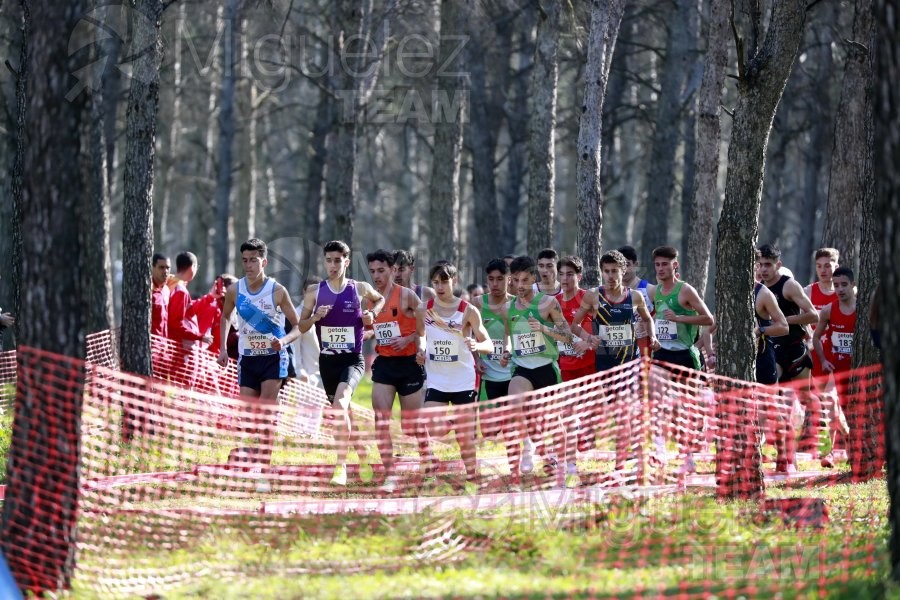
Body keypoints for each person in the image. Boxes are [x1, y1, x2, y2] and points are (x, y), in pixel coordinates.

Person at [216, 238, 304, 492]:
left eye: (253, 260)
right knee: (249, 417)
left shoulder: (277, 291)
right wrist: (223, 348)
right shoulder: (235, 290)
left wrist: (284, 340)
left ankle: (263, 472)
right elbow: (224, 318)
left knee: (266, 414)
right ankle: (252, 453)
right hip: (248, 360)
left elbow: (298, 326)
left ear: (263, 262)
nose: (248, 265)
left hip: (273, 359)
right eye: (244, 260)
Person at [298, 240, 385, 486]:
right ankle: (363, 454)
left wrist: (372, 314)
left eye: (338, 260)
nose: (333, 265)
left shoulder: (359, 288)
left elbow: (379, 300)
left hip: (352, 360)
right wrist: (316, 317)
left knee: (340, 404)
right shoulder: (314, 292)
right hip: (327, 363)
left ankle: (340, 466)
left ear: (347, 262)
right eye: (329, 260)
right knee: (343, 411)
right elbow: (302, 326)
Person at [571, 250, 658, 471]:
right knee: (619, 412)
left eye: (614, 271)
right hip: (606, 364)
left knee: (624, 411)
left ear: (624, 271)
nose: (610, 276)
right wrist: (588, 337)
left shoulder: (635, 297)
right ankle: (630, 455)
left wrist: (653, 336)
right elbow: (574, 325)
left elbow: (648, 319)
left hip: (630, 363)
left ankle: (621, 463)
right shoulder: (593, 296)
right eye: (606, 272)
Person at [416, 261, 493, 491]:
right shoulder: (424, 310)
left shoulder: (468, 310)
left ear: (454, 281)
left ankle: (471, 477)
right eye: (436, 282)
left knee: (465, 439)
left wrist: (476, 346)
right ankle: (454, 423)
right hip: (437, 379)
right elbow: (421, 335)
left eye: (444, 282)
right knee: (434, 427)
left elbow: (488, 343)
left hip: (463, 381)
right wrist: (421, 349)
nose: (440, 287)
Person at [502, 255, 574, 487]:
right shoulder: (508, 307)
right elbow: (508, 337)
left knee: (554, 422)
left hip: (546, 368)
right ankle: (527, 448)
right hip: (522, 367)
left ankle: (562, 466)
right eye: (515, 280)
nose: (520, 286)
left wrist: (543, 328)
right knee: (514, 404)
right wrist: (505, 351)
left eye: (524, 280)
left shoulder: (547, 303)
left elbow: (567, 337)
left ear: (533, 278)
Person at [365, 249, 432, 493]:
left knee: (413, 424)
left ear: (393, 270)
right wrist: (367, 332)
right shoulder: (369, 298)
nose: (377, 276)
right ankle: (390, 473)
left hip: (409, 364)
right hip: (385, 364)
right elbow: (371, 326)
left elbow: (427, 325)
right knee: (380, 419)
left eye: (381, 270)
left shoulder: (407, 297)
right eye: (372, 271)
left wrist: (411, 339)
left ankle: (428, 461)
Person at [757, 244, 820, 462]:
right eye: (760, 265)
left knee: (806, 399)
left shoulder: (789, 286)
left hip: (794, 350)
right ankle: (784, 453)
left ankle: (821, 429)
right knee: (774, 401)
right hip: (771, 350)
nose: (763, 270)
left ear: (778, 265)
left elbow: (814, 316)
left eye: (768, 265)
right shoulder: (756, 288)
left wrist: (783, 320)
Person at [477, 259, 517, 487]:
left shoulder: (516, 305)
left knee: (511, 429)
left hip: (512, 376)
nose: (495, 284)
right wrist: (475, 360)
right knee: (490, 433)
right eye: (491, 279)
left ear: (508, 280)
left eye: (500, 279)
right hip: (489, 377)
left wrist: (511, 353)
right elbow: (467, 336)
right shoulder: (477, 304)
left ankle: (514, 472)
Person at [812, 266, 857, 468]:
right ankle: (830, 452)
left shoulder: (862, 309)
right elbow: (816, 337)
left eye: (844, 285)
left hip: (856, 369)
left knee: (850, 411)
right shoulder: (828, 310)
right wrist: (823, 360)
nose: (839, 289)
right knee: (830, 404)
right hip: (833, 367)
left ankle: (851, 447)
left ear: (853, 285)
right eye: (836, 285)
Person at [646, 246, 714, 370]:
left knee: (685, 390)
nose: (660, 268)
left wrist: (678, 318)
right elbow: (659, 317)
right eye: (657, 265)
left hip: (684, 353)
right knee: (657, 388)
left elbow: (709, 319)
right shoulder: (655, 291)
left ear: (675, 264)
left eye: (665, 264)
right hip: (661, 351)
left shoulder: (686, 290)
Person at [167, 251, 213, 387]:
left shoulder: (171, 285)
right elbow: (176, 323)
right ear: (192, 267)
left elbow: (188, 311)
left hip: (177, 347)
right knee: (183, 388)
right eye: (196, 267)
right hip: (182, 349)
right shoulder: (180, 291)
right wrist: (200, 336)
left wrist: (210, 297)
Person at [804, 248, 841, 383]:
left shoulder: (844, 293)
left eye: (827, 266)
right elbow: (799, 320)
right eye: (819, 266)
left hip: (838, 353)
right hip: (814, 352)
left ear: (836, 267)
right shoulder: (808, 291)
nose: (822, 270)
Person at [619, 245, 654, 357]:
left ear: (636, 265)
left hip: (646, 356)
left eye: (627, 264)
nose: (623, 270)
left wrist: (651, 321)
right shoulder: (611, 293)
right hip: (621, 356)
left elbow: (667, 316)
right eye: (620, 265)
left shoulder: (649, 290)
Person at [290, 277, 322, 387]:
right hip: (308, 377)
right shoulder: (297, 315)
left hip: (325, 374)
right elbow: (294, 346)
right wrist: (299, 371)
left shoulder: (325, 314)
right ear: (304, 292)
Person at [151, 253, 171, 338]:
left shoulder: (166, 290)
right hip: (150, 345)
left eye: (168, 268)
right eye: (161, 267)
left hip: (163, 345)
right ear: (153, 268)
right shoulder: (147, 289)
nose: (165, 271)